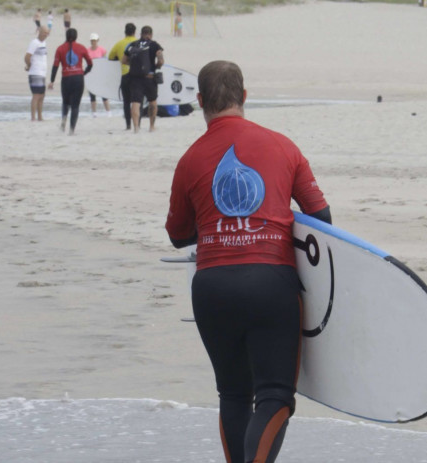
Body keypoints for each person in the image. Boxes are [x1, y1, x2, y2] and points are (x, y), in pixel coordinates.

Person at [165, 60, 332, 463]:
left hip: (212, 286)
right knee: (274, 396)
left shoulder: (189, 159)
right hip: (270, 283)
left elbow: (177, 234)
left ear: (201, 101)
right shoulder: (283, 145)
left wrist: (218, 225)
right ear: (244, 96)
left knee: (234, 393)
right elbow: (321, 219)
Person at [48, 28, 93, 135]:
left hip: (66, 79)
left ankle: (63, 121)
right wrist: (83, 72)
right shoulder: (81, 48)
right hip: (78, 78)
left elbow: (55, 66)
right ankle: (72, 130)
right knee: (75, 105)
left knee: (65, 102)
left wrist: (52, 81)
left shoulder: (60, 48)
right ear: (76, 36)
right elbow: (90, 64)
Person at [121, 25, 164, 133]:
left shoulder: (133, 44)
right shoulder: (154, 45)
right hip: (149, 78)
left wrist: (134, 65)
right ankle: (151, 126)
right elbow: (161, 60)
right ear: (151, 34)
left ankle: (136, 127)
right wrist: (156, 66)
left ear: (140, 34)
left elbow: (124, 60)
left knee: (135, 102)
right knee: (152, 101)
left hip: (135, 78)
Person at [108, 23, 137, 130]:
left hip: (125, 75)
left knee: (126, 101)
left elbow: (110, 57)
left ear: (125, 32)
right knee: (136, 101)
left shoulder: (119, 44)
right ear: (135, 32)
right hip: (136, 76)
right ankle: (136, 123)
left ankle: (128, 125)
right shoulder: (138, 43)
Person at [24, 25, 49, 122]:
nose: (46, 35)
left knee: (42, 95)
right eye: (44, 32)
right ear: (40, 32)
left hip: (42, 73)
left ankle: (40, 116)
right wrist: (29, 65)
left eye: (47, 33)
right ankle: (33, 117)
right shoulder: (34, 43)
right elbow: (27, 56)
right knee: (36, 95)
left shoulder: (44, 43)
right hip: (35, 72)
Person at [86, 32, 111, 117]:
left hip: (99, 74)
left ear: (97, 41)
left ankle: (108, 112)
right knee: (92, 94)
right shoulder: (87, 51)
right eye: (92, 40)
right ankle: (94, 112)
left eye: (95, 40)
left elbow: (105, 61)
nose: (93, 42)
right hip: (91, 74)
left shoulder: (102, 50)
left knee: (103, 93)